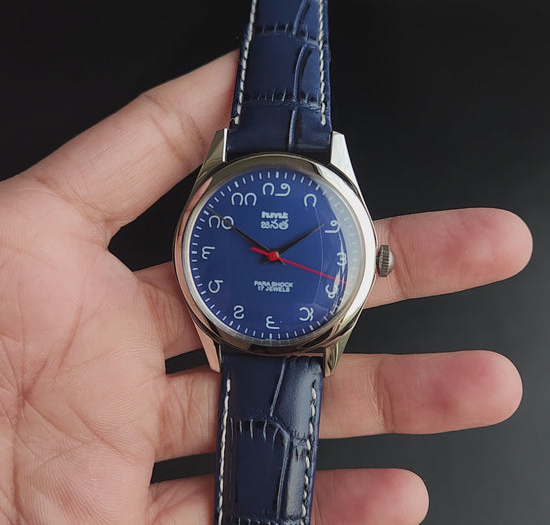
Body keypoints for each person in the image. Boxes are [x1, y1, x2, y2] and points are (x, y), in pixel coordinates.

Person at [0, 52, 532, 524]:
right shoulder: (245, 208)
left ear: (376, 260)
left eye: (278, 255)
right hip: (234, 332)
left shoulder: (283, 201)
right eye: (269, 255)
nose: (273, 256)